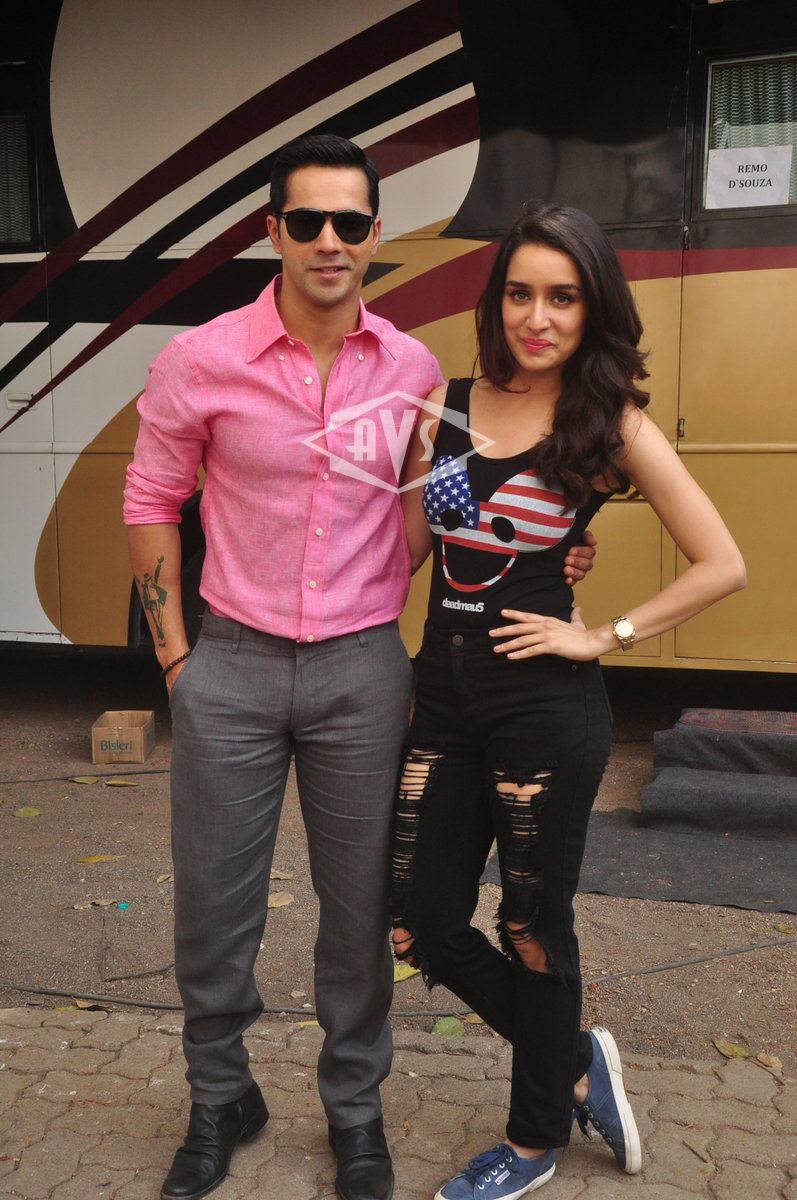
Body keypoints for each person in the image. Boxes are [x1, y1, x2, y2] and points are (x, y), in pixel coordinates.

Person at [123, 138, 597, 1200]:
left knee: (358, 916)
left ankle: (354, 1113)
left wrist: (554, 548)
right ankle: (219, 1100)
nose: (328, 241)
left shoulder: (415, 373)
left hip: (364, 671)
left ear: (376, 235)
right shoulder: (199, 360)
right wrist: (177, 659)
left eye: (348, 222)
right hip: (229, 664)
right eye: (306, 222)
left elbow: (444, 514)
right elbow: (150, 499)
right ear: (272, 233)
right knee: (213, 913)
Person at [390, 203, 746, 1200]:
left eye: (561, 297)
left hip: (544, 710)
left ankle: (533, 1141)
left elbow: (721, 562)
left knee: (530, 925)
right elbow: (406, 552)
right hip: (441, 699)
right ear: (494, 299)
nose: (535, 317)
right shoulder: (443, 408)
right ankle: (576, 1059)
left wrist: (602, 634)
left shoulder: (607, 424)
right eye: (518, 293)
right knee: (416, 918)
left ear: (592, 310)